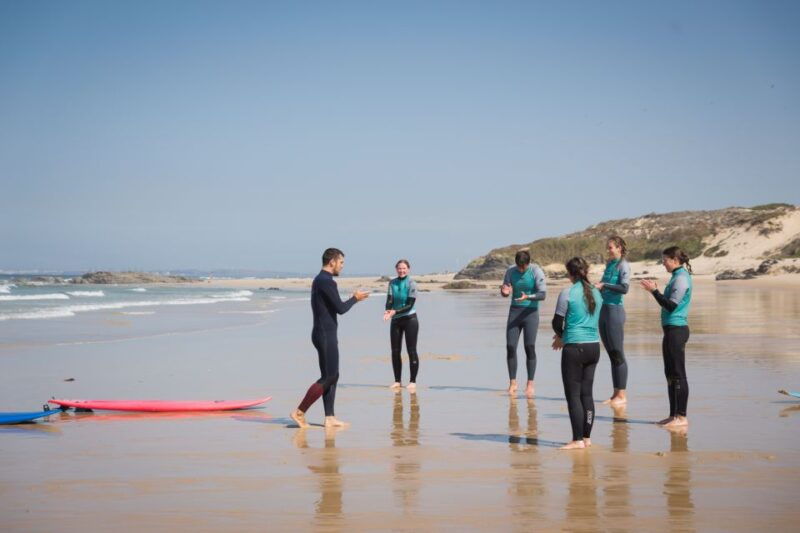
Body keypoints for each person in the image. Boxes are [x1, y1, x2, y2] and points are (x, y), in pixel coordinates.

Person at [290, 248, 369, 428]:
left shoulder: (321, 280)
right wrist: (355, 299)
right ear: (332, 261)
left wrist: (350, 299)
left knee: (333, 375)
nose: (342, 266)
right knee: (328, 377)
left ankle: (330, 417)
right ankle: (299, 412)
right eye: (341, 263)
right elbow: (341, 309)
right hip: (325, 334)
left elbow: (334, 306)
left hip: (324, 333)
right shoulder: (326, 281)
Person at [552, 257, 603, 450]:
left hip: (575, 348)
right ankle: (587, 438)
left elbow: (557, 323)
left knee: (573, 395)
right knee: (587, 394)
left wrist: (562, 337)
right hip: (594, 347)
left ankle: (577, 440)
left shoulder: (568, 293)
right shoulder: (597, 294)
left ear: (570, 273)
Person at [640, 246, 693, 428]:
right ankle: (673, 415)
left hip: (677, 330)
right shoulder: (676, 277)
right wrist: (655, 291)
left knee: (678, 374)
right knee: (669, 374)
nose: (663, 263)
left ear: (675, 260)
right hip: (670, 330)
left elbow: (670, 306)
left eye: (665, 260)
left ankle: (682, 417)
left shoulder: (681, 279)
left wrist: (654, 291)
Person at [500, 250, 547, 397]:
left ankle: (530, 384)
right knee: (510, 346)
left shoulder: (536, 271)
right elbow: (505, 289)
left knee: (529, 347)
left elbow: (543, 294)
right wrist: (504, 291)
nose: (520, 269)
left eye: (523, 267)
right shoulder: (510, 271)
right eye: (518, 266)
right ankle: (513, 382)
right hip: (515, 312)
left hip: (530, 313)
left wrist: (528, 296)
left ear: (528, 263)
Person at [594, 236, 631, 406]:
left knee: (618, 353)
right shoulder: (609, 264)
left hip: (615, 311)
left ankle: (622, 395)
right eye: (607, 247)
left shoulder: (623, 265)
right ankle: (615, 393)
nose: (608, 250)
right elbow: (603, 287)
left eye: (610, 247)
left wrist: (604, 286)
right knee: (611, 355)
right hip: (604, 311)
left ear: (619, 248)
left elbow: (624, 288)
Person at [384, 259, 420, 391]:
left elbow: (410, 305)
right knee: (395, 351)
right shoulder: (392, 283)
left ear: (408, 269)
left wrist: (394, 311)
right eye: (399, 268)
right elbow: (389, 300)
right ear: (396, 269)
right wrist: (388, 311)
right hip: (395, 321)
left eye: (404, 268)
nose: (401, 270)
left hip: (410, 319)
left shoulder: (412, 283)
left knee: (411, 350)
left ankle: (412, 381)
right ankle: (397, 381)